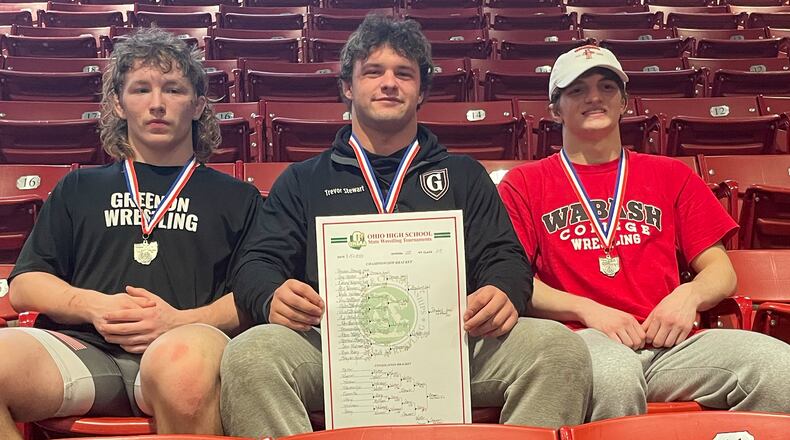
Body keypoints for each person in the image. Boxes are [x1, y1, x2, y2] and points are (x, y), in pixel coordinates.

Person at [221, 15, 592, 439]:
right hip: (331, 351)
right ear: (347, 86)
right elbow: (256, 262)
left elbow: (504, 256)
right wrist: (272, 295)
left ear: (421, 92)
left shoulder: (463, 175)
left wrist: (503, 291)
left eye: (404, 73)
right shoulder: (303, 180)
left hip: (453, 347)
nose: (389, 83)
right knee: (249, 356)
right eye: (373, 72)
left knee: (559, 350)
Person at [498, 45, 790, 422]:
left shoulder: (672, 175)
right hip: (581, 339)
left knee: (778, 368)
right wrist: (589, 311)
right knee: (613, 376)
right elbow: (516, 282)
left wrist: (689, 295)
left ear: (623, 101)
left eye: (606, 87)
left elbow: (722, 271)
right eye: (576, 90)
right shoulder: (524, 182)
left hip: (670, 345)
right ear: (555, 109)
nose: (593, 98)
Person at [2, 28, 261, 438]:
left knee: (184, 366)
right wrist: (93, 307)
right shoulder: (78, 187)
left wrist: (180, 321)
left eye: (173, 90)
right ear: (119, 105)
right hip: (85, 350)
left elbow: (253, 296)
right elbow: (26, 285)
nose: (157, 104)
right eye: (141, 90)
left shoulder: (239, 198)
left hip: (183, 348)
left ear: (197, 105)